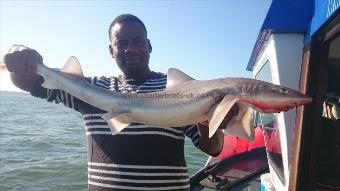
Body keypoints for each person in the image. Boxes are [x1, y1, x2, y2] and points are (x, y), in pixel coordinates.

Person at [4, 14, 237, 190]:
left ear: (149, 46)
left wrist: (208, 117)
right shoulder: (91, 88)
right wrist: (19, 59)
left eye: (137, 41)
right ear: (111, 50)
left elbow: (213, 148)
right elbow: (30, 83)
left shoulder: (180, 90)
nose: (130, 48)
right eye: (121, 43)